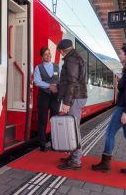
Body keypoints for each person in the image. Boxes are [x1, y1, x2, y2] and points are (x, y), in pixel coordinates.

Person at [91, 44, 126, 177]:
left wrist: (125, 111)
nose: (119, 56)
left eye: (121, 53)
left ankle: (105, 164)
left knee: (109, 132)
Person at [56, 39, 87, 170]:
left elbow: (73, 82)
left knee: (74, 128)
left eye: (60, 53)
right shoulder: (76, 57)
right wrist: (57, 87)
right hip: (76, 96)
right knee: (72, 128)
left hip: (74, 98)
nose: (61, 55)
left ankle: (76, 160)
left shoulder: (71, 59)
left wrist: (67, 102)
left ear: (62, 51)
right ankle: (73, 155)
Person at [34, 47, 60, 152]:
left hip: (55, 96)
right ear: (42, 57)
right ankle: (42, 144)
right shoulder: (38, 68)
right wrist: (49, 86)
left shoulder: (57, 67)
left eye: (49, 54)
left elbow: (61, 80)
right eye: (45, 54)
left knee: (54, 120)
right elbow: (37, 81)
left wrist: (57, 88)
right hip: (43, 96)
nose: (48, 56)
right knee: (42, 121)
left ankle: (55, 143)